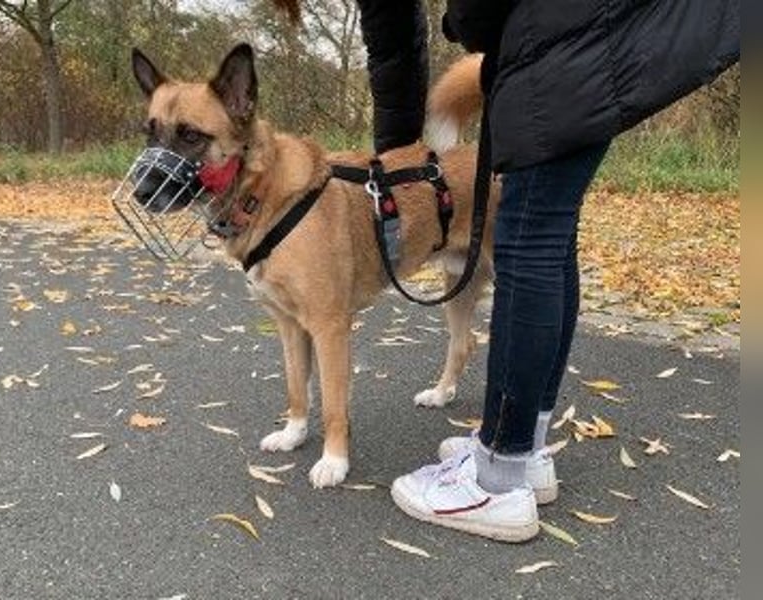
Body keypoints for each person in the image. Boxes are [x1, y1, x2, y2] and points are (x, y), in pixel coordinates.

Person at [275, 0, 740, 541]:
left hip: (569, 39)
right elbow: (393, 41)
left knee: (529, 240)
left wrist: (474, 28)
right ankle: (525, 449)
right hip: (600, 33)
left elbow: (401, 37)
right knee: (545, 237)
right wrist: (397, 164)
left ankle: (499, 475)